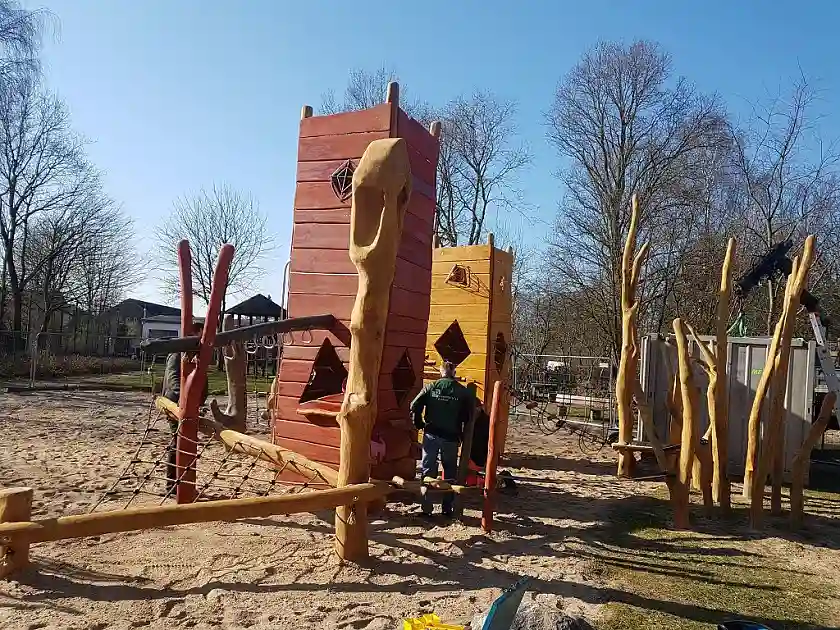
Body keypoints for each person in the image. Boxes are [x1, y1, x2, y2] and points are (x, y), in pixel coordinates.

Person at [410, 360, 473, 516]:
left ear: (440, 371)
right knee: (450, 472)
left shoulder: (431, 387)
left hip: (431, 434)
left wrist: (419, 423)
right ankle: (447, 507)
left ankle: (426, 508)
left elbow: (414, 405)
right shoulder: (462, 391)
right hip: (451, 437)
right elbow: (469, 415)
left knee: (427, 470)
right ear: (454, 373)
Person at [161, 323, 209, 494]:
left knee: (185, 440)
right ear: (195, 332)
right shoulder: (178, 351)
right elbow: (174, 376)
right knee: (179, 441)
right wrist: (183, 399)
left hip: (189, 403)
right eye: (203, 333)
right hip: (176, 403)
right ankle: (173, 485)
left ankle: (179, 483)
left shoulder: (194, 351)